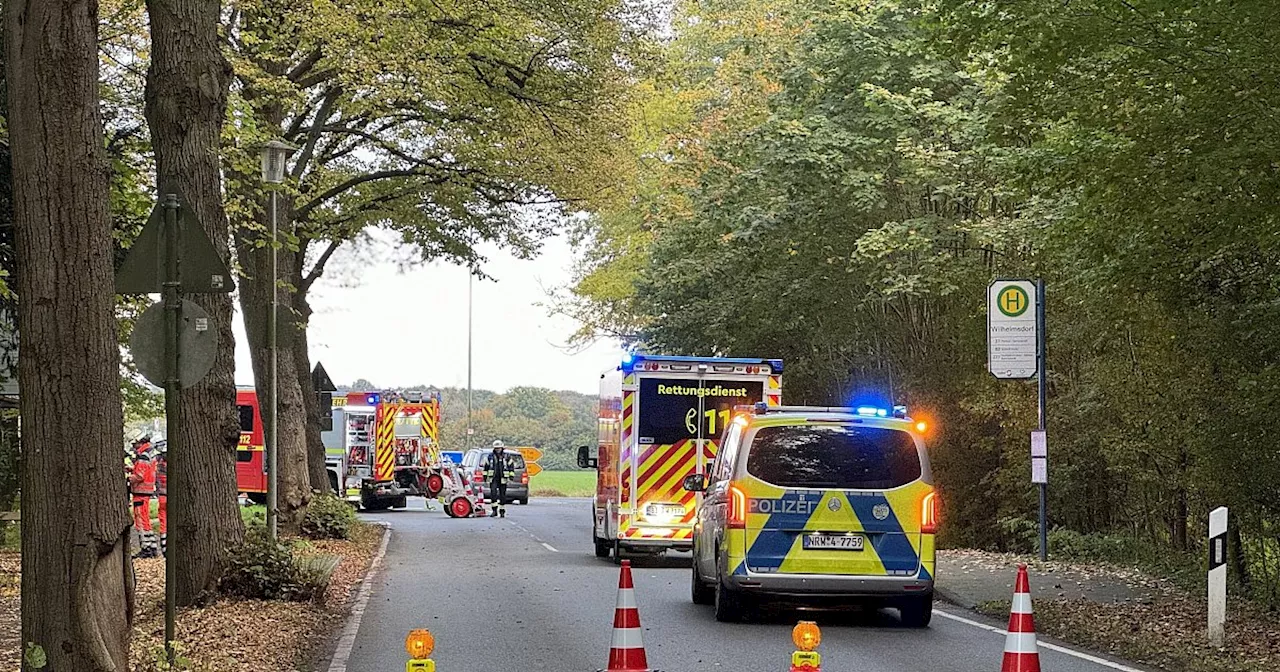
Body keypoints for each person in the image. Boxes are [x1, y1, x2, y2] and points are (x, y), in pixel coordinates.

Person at [128, 436, 159, 558]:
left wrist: (128, 479)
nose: (134, 447)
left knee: (140, 521)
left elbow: (139, 476)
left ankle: (146, 548)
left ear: (140, 443)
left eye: (135, 444)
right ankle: (152, 547)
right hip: (147, 493)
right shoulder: (150, 455)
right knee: (146, 521)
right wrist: (132, 469)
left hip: (140, 493)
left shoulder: (142, 456)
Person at [484, 440, 515, 518]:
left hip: (503, 478)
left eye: (499, 448)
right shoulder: (490, 456)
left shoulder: (507, 456)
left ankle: (502, 511)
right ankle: (494, 510)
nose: (498, 450)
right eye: (496, 448)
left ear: (502, 448)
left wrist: (511, 476)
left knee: (502, 495)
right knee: (493, 494)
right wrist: (485, 476)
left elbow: (511, 466)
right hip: (493, 478)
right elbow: (486, 467)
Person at [155, 442, 167, 556]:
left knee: (163, 523)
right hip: (172, 498)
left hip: (162, 497)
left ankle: (164, 548)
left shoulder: (159, 466)